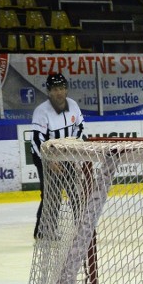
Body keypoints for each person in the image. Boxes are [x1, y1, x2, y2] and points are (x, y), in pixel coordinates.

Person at [30, 72, 85, 240]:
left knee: (75, 192)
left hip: (66, 155)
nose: (59, 92)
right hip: (45, 156)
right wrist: (48, 161)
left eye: (61, 88)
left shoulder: (73, 105)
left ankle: (83, 228)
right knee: (51, 194)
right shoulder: (42, 111)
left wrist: (75, 152)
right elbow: (35, 140)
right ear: (49, 92)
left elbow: (80, 128)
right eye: (55, 89)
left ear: (66, 90)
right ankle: (44, 231)